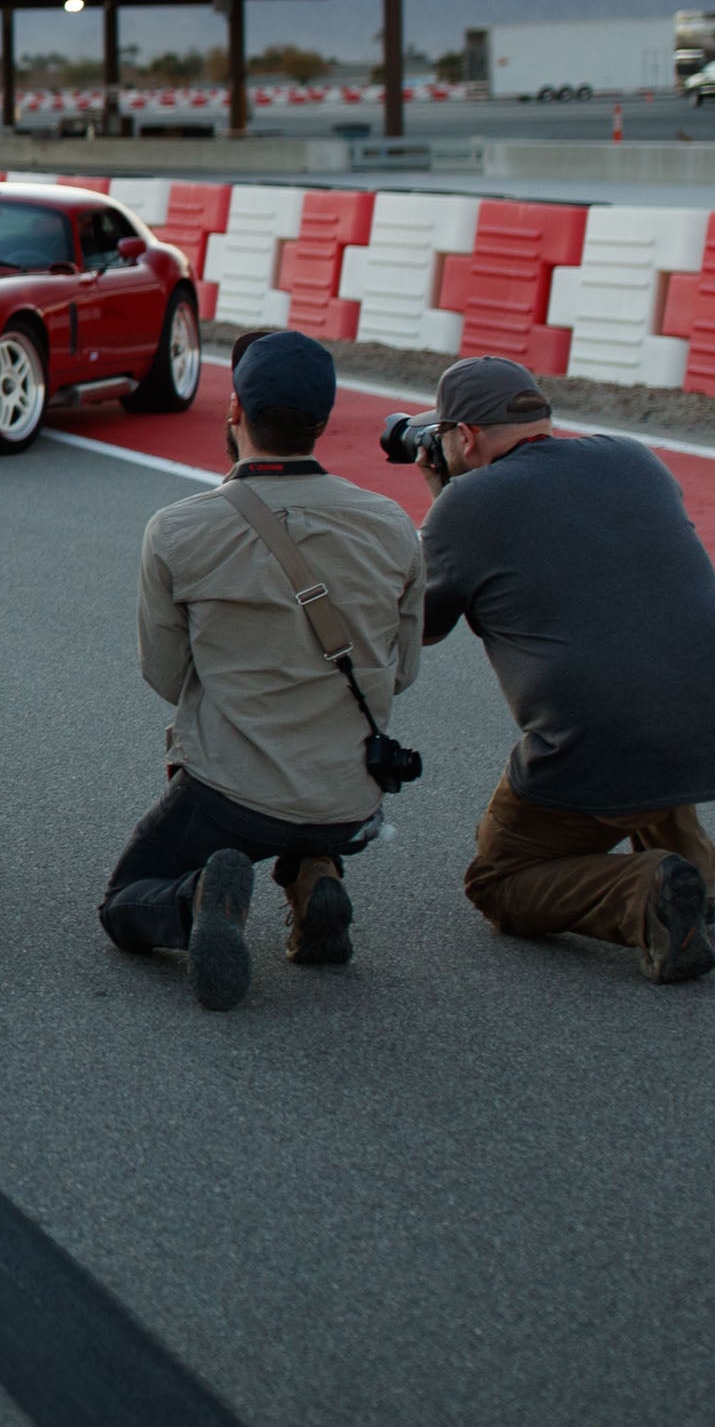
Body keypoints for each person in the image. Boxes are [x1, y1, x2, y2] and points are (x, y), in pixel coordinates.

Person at [415, 355, 715, 985]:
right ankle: (692, 867)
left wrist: (445, 505)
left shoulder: (466, 504)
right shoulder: (633, 456)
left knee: (499, 882)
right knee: (644, 684)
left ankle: (645, 893)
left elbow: (418, 624)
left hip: (604, 741)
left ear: (464, 438)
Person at [103, 331, 423, 1012]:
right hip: (349, 802)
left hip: (230, 800)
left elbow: (165, 676)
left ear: (234, 412)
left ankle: (196, 899)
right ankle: (313, 874)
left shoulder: (179, 528)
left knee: (125, 904)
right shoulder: (395, 526)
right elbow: (402, 674)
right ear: (324, 422)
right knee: (310, 788)